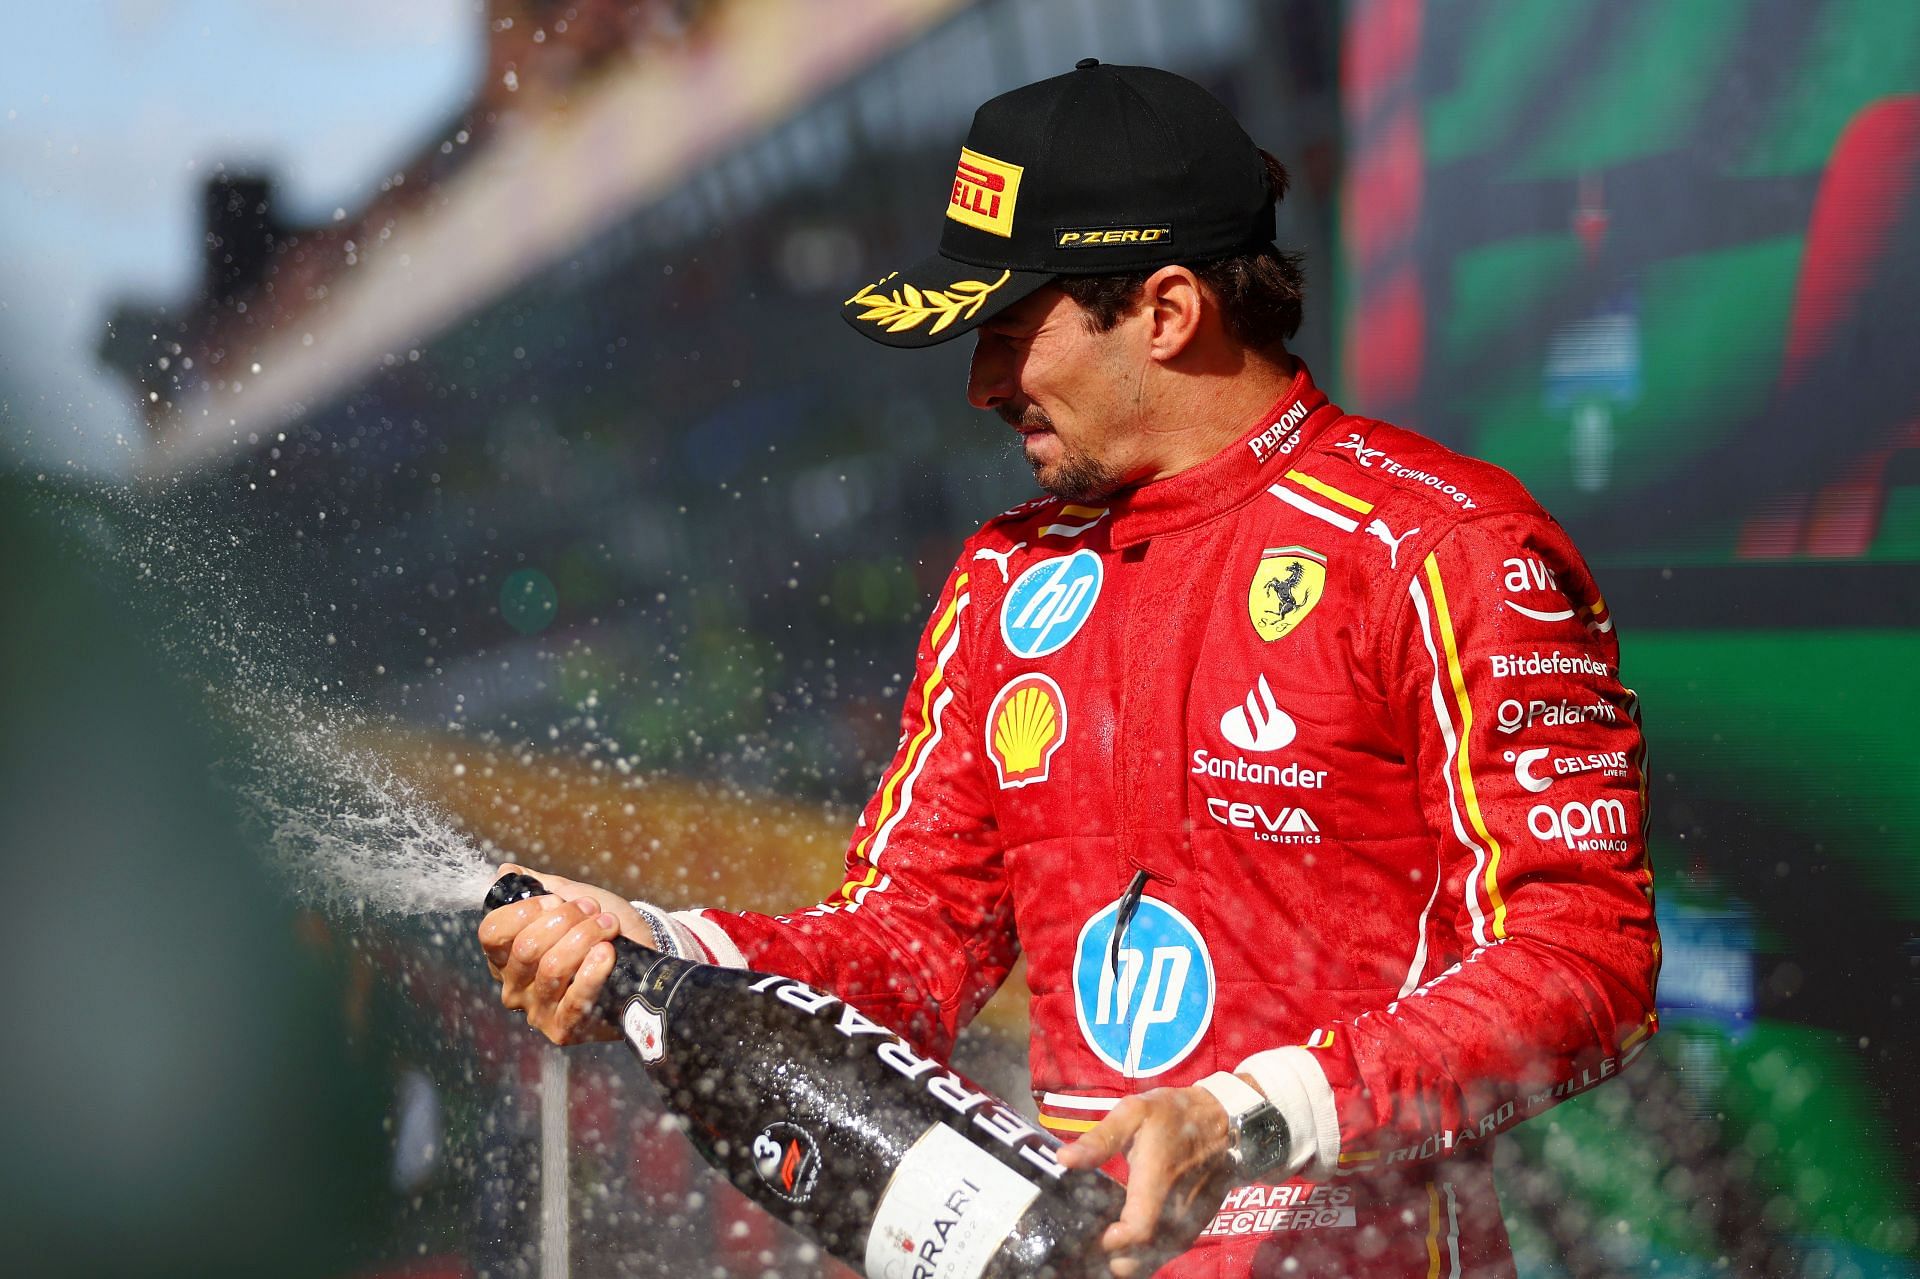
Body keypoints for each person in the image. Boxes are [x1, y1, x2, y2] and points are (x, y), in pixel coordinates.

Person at [478, 61, 1658, 1279]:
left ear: (1165, 310)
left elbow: (1588, 960)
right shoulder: (1005, 575)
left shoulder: (1444, 545)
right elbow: (911, 947)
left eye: (1008, 328)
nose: (984, 385)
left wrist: (1247, 1115)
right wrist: (664, 946)